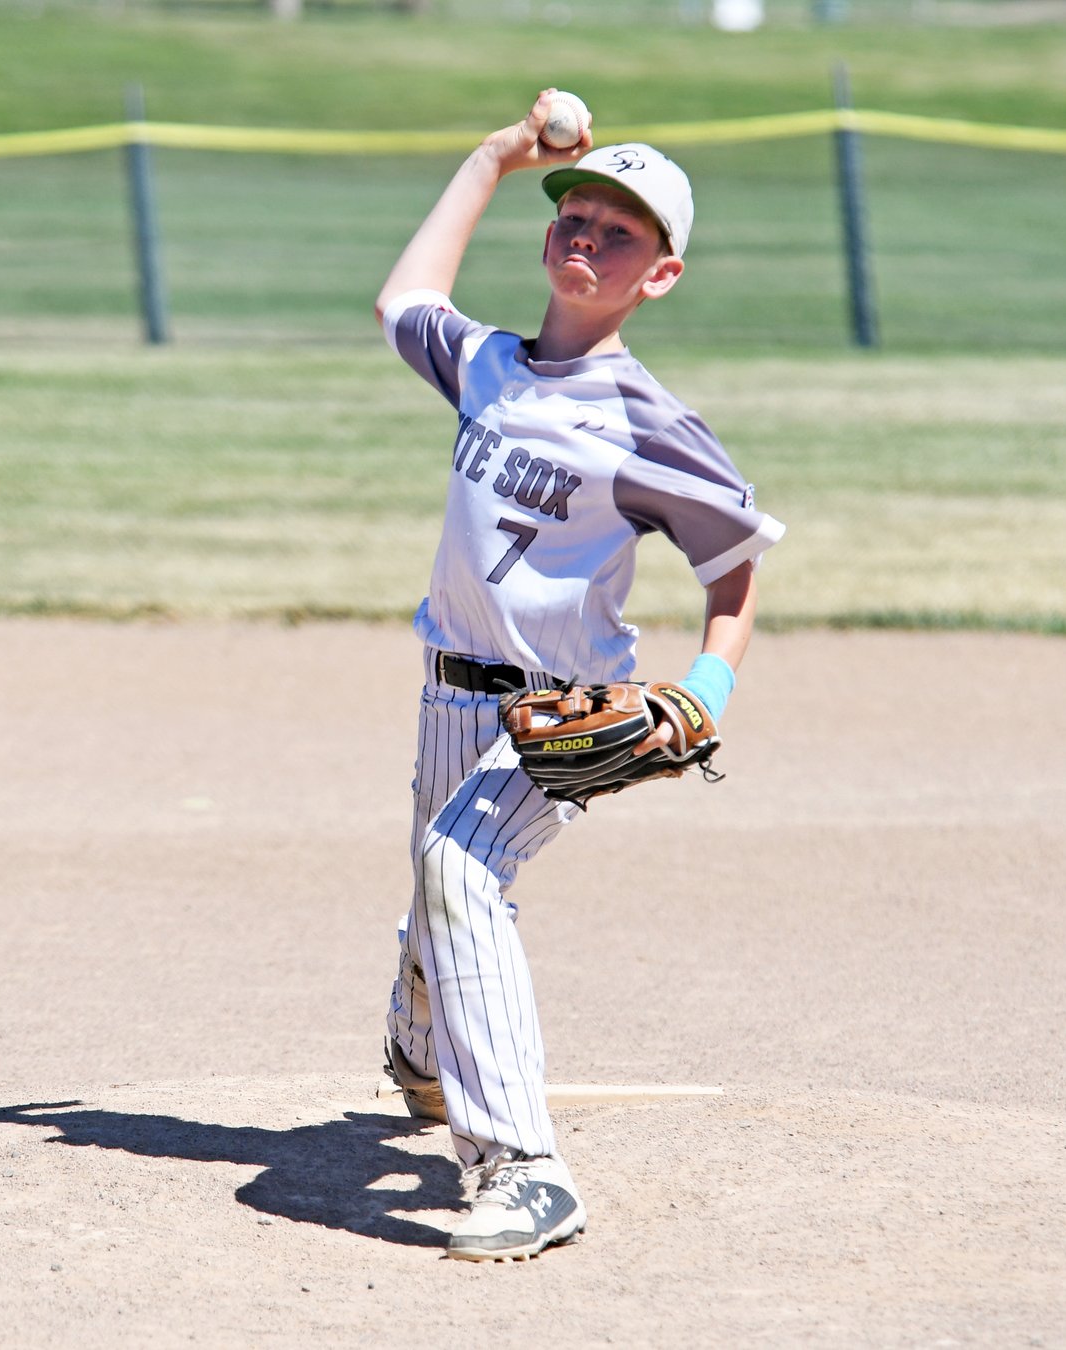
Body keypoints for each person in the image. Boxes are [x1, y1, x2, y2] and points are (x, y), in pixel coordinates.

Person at [374, 89, 785, 1262]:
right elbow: (406, 299)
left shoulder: (652, 424)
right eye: (577, 217)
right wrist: (498, 155)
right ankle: (422, 1047)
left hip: (557, 717)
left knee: (461, 869)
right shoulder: (489, 368)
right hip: (447, 691)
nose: (588, 238)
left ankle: (524, 1169)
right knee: (435, 894)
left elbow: (737, 574)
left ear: (660, 275)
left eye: (622, 232)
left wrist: (706, 694)